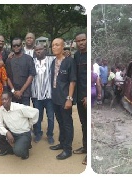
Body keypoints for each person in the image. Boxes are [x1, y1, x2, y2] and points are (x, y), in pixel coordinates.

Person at [49, 38, 76, 160]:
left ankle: (67, 149)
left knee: (67, 123)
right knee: (60, 121)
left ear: (63, 46)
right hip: (55, 98)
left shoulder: (69, 61)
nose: (54, 47)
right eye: (53, 45)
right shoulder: (53, 62)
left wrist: (69, 98)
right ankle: (62, 142)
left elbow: (72, 81)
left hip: (65, 98)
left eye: (57, 45)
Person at [0, 91, 39, 160]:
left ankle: (25, 151)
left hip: (23, 134)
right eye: (2, 99)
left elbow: (36, 112)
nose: (4, 101)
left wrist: (30, 124)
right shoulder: (1, 109)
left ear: (10, 99)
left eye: (6, 99)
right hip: (12, 133)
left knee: (18, 151)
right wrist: (7, 132)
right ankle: (7, 150)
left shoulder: (19, 108)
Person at [31, 44, 55, 145]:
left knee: (50, 116)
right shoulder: (31, 61)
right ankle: (38, 133)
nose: (39, 51)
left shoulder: (52, 60)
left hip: (49, 95)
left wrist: (66, 53)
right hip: (36, 95)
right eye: (36, 50)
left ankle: (50, 135)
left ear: (45, 50)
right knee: (37, 116)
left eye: (40, 49)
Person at [6, 37, 36, 106]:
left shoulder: (28, 59)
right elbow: (7, 77)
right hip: (13, 94)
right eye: (14, 46)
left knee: (25, 115)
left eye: (18, 45)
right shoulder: (9, 60)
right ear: (12, 47)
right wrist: (13, 91)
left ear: (22, 46)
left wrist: (21, 91)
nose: (16, 47)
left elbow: (31, 76)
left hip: (25, 94)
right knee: (14, 115)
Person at [73, 32, 87, 165]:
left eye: (83, 40)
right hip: (78, 96)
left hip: (87, 97)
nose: (81, 43)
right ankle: (85, 147)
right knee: (83, 123)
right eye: (78, 41)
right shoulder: (76, 55)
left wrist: (88, 96)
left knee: (88, 124)